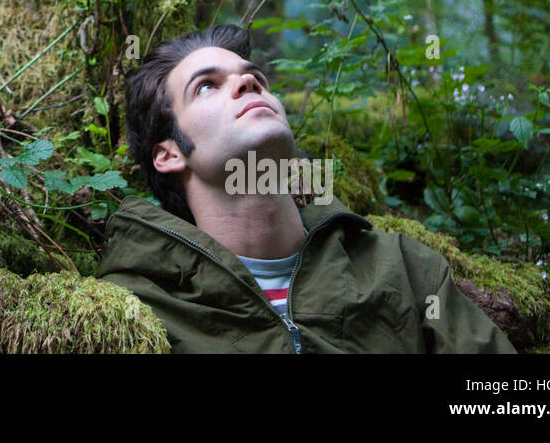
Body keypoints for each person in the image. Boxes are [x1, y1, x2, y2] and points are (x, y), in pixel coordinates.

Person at [95, 25, 516, 353]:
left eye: (253, 76)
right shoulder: (135, 303)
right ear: (168, 154)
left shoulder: (403, 268)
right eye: (207, 85)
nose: (248, 84)